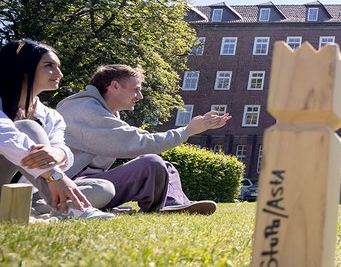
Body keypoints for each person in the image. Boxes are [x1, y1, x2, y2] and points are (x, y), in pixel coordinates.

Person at [56, 64, 230, 214]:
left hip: (88, 183)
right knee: (151, 164)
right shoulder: (86, 112)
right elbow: (141, 142)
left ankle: (175, 204)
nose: (140, 97)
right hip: (66, 188)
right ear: (114, 86)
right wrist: (187, 131)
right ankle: (169, 206)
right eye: (136, 90)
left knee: (166, 167)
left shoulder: (103, 113)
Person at [0, 39, 114, 220]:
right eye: (49, 66)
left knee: (104, 188)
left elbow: (63, 150)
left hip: (33, 190)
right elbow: (7, 138)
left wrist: (59, 153)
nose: (59, 73)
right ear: (23, 68)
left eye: (58, 67)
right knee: (27, 127)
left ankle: (41, 208)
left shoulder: (51, 116)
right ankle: (65, 209)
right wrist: (55, 176)